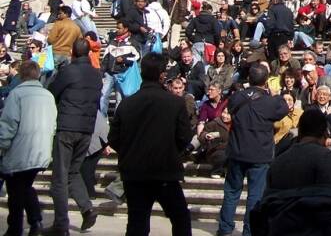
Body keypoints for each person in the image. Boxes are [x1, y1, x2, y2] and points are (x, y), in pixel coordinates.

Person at [108, 53, 192, 236]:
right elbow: (184, 137)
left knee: (137, 223)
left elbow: (114, 138)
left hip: (135, 172)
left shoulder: (127, 104)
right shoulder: (175, 103)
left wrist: (131, 152)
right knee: (180, 219)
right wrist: (170, 151)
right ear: (162, 75)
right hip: (164, 171)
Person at [252, 109, 331, 236]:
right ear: (324, 134)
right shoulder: (326, 157)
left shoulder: (278, 161)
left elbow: (268, 202)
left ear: (299, 132)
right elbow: (330, 204)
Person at [218, 63, 290, 236]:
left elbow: (231, 106)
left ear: (249, 79)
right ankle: (249, 231)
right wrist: (275, 94)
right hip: (260, 154)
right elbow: (284, 109)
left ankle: (225, 228)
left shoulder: (237, 98)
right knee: (255, 196)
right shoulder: (270, 102)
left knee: (231, 192)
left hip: (237, 151)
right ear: (266, 81)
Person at [45, 39, 102, 235]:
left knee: (60, 177)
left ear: (73, 53)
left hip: (67, 127)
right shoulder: (97, 75)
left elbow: (52, 92)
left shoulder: (68, 71)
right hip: (86, 129)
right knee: (73, 172)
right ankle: (87, 208)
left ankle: (61, 223)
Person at [0, 61, 56, 236]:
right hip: (41, 150)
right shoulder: (48, 96)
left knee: (16, 189)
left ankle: (17, 226)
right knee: (25, 186)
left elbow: (9, 125)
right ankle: (34, 221)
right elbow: (53, 124)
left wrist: (2, 146)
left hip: (20, 150)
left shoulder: (16, 94)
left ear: (21, 75)